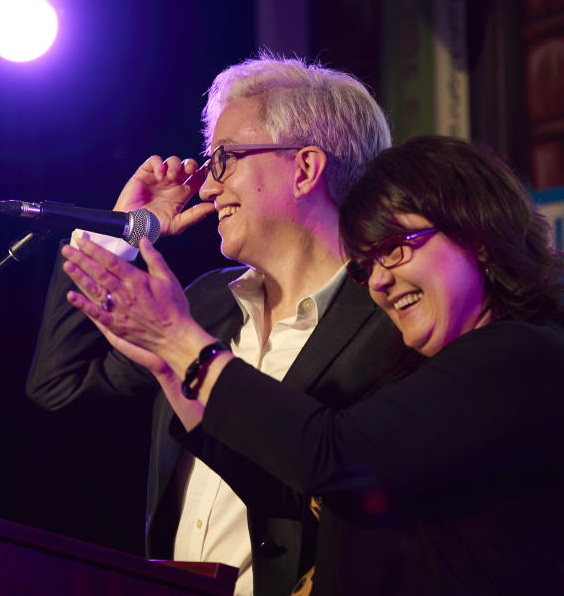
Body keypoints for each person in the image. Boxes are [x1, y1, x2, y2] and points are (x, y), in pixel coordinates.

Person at [60, 135, 564, 594]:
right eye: (367, 264)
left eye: (395, 246)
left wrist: (183, 342)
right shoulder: (443, 370)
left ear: (477, 235)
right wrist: (167, 367)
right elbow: (301, 493)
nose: (380, 280)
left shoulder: (527, 358)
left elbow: (332, 453)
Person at [25, 54, 422, 596]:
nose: (208, 189)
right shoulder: (208, 301)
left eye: (225, 159)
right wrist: (124, 232)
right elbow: (61, 385)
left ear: (305, 168)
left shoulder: (393, 322)